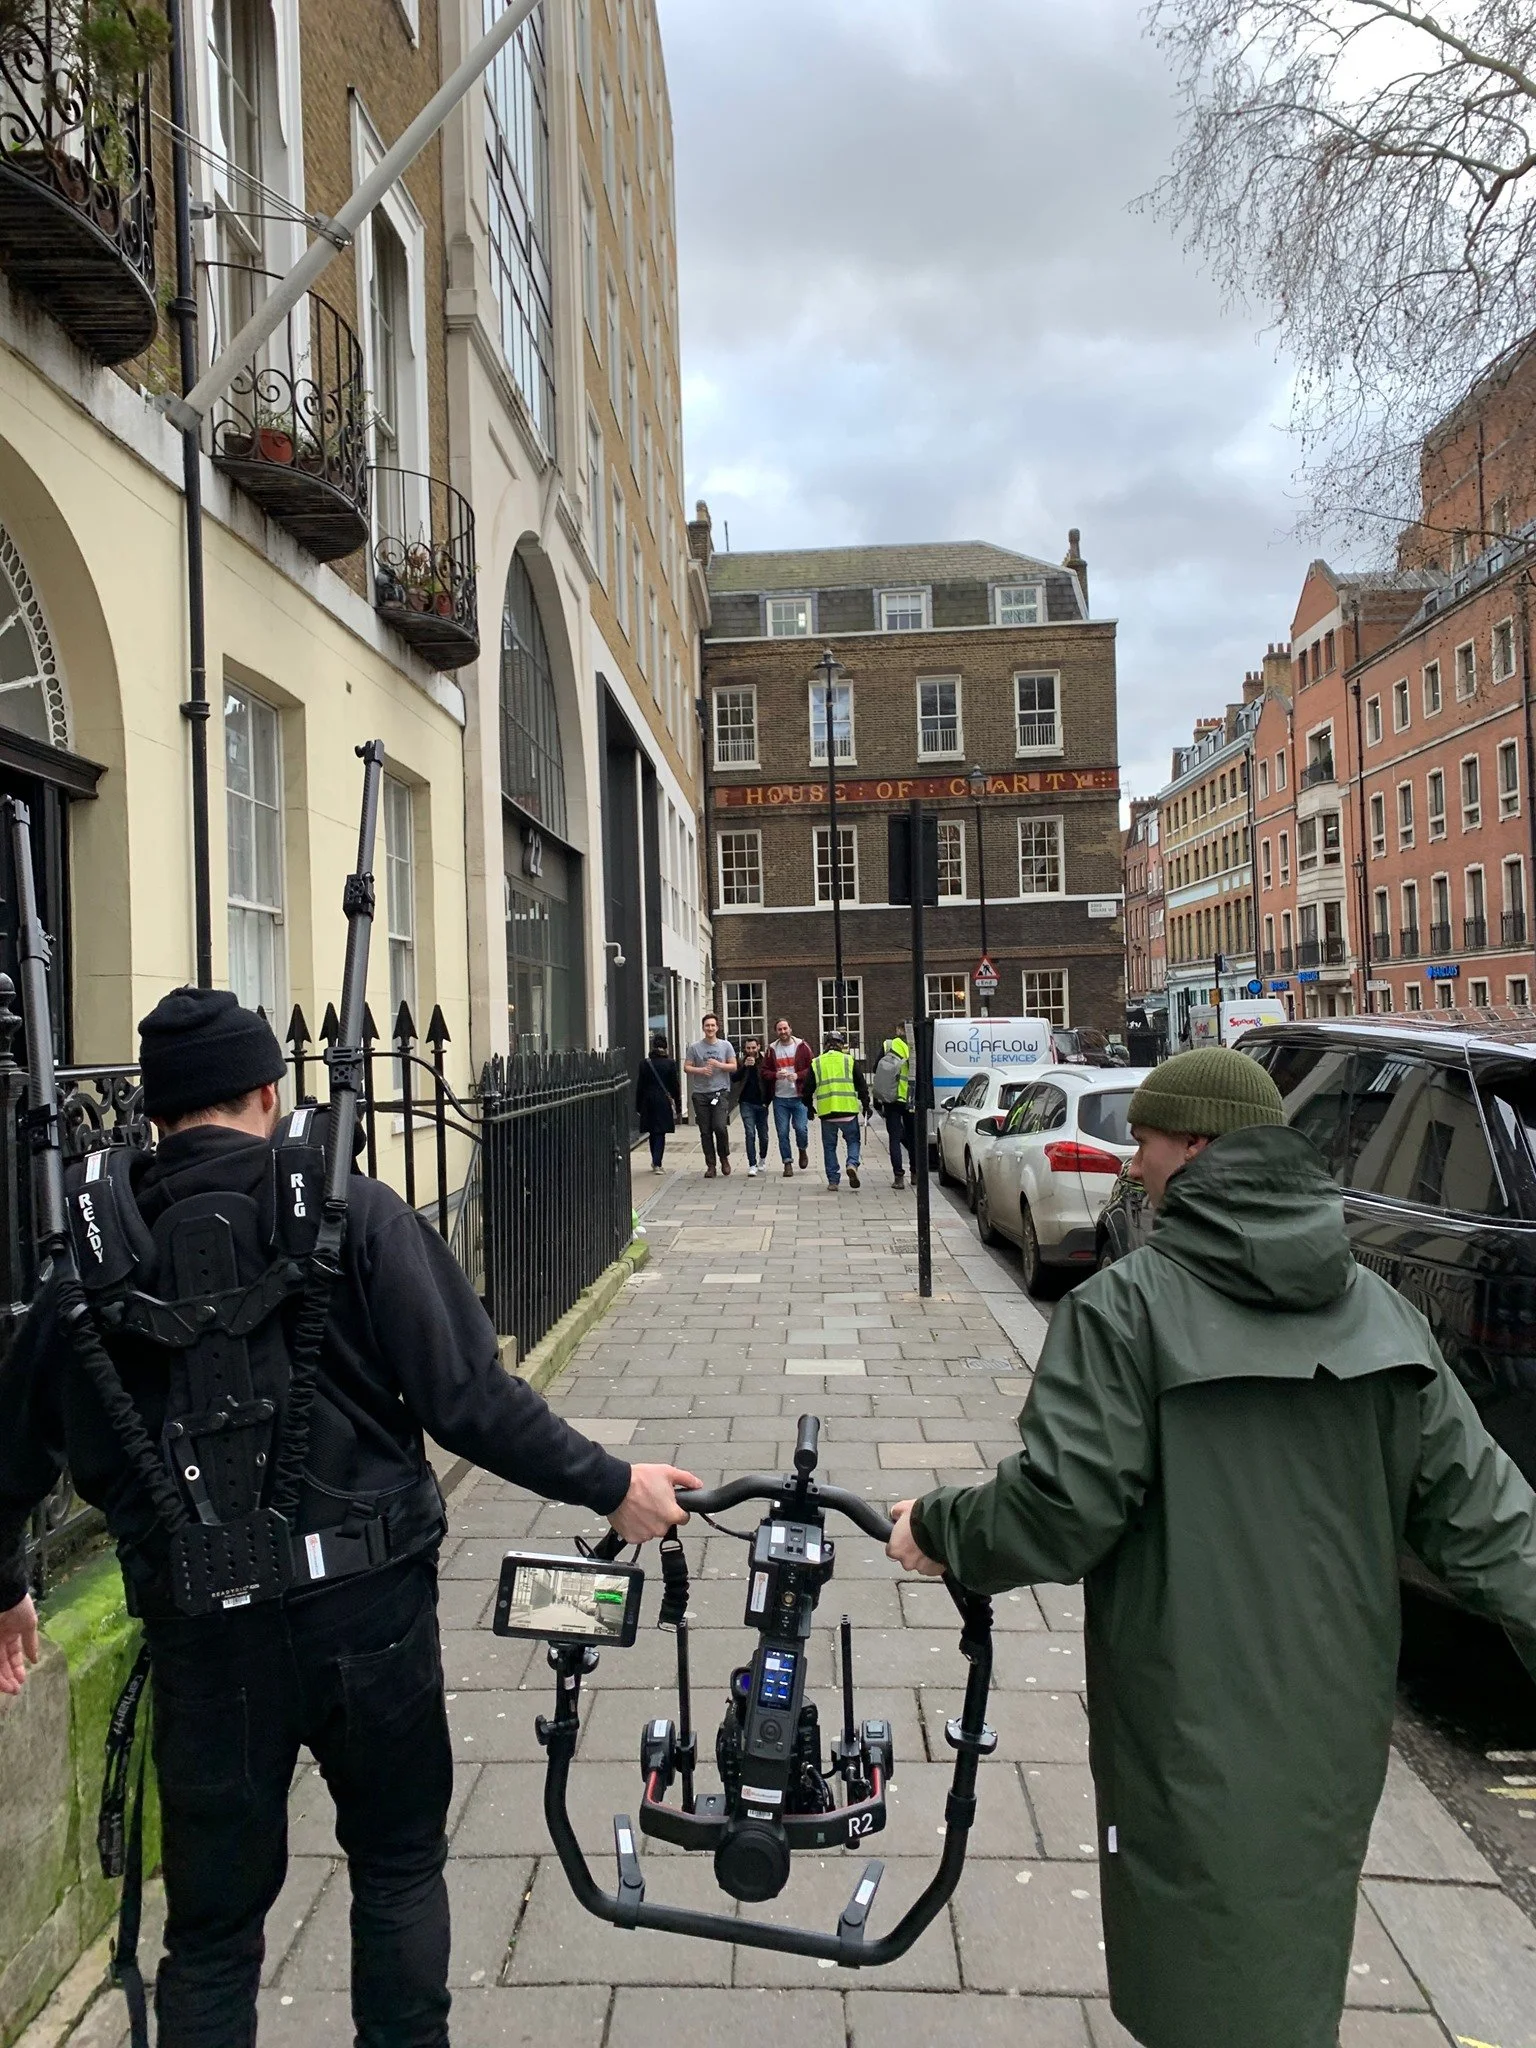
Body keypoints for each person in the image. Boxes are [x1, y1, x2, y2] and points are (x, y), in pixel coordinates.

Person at [0, 987, 700, 2048]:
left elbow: (10, 1452)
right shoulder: (354, 1211)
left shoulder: (88, 1265)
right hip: (369, 1614)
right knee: (399, 1865)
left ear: (154, 1116)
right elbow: (470, 1397)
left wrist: (8, 1581)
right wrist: (611, 1482)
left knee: (214, 1934)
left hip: (205, 1641)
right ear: (271, 1090)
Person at [887, 1046, 1536, 2048]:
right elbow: (1501, 1535)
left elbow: (1061, 1508)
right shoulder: (1387, 1315)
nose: (1130, 1164)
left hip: (1181, 1724)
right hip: (1332, 1732)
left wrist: (938, 1527)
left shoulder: (1125, 1310)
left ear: (1196, 1147)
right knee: (1284, 1979)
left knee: (1196, 1981)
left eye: (1143, 1142)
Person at [808, 1028, 870, 1190]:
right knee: (853, 1140)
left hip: (827, 1113)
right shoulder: (849, 1060)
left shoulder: (817, 1062)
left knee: (829, 1147)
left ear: (826, 1045)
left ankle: (833, 1181)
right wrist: (866, 1104)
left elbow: (807, 1088)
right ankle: (852, 1163)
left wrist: (808, 1107)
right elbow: (862, 1085)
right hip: (848, 1111)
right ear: (841, 1045)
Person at [683, 1012, 737, 1178]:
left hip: (720, 1092)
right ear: (703, 1028)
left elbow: (733, 1066)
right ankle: (711, 1165)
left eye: (713, 1025)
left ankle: (724, 1157)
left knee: (719, 1127)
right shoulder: (695, 1048)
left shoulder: (725, 1045)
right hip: (700, 1094)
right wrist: (701, 1070)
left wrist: (719, 1065)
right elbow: (687, 1067)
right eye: (707, 1026)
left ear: (717, 1027)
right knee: (705, 1131)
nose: (710, 1028)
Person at [762, 1016, 813, 1178]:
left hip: (799, 1096)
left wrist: (797, 1076)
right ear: (776, 1031)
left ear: (790, 1029)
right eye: (779, 1029)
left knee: (801, 1128)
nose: (783, 1032)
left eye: (785, 1028)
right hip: (780, 1098)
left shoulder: (802, 1047)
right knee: (782, 1132)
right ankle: (787, 1162)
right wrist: (776, 1075)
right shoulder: (771, 1050)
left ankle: (802, 1149)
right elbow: (764, 1072)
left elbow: (812, 1069)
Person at [635, 1035, 682, 1172]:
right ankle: (657, 1162)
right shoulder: (670, 1063)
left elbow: (640, 1086)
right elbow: (675, 1086)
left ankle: (655, 1160)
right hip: (663, 1101)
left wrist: (638, 1106)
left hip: (648, 1101)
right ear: (666, 1047)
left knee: (652, 1131)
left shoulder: (645, 1063)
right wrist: (678, 1105)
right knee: (660, 1132)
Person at [872, 1035, 913, 1188]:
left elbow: (875, 1068)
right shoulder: (916, 1046)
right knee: (913, 1137)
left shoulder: (889, 1044)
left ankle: (899, 1177)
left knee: (894, 1139)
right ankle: (915, 1174)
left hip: (891, 1098)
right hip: (910, 1098)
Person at [732, 1035, 770, 1176]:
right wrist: (745, 1067)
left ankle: (762, 1159)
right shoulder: (741, 1061)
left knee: (763, 1135)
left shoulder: (765, 1061)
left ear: (758, 1047)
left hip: (761, 1103)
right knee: (750, 1133)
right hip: (746, 1102)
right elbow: (734, 1078)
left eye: (753, 1048)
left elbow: (768, 1080)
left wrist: (767, 1101)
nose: (751, 1050)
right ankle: (752, 1164)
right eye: (748, 1048)